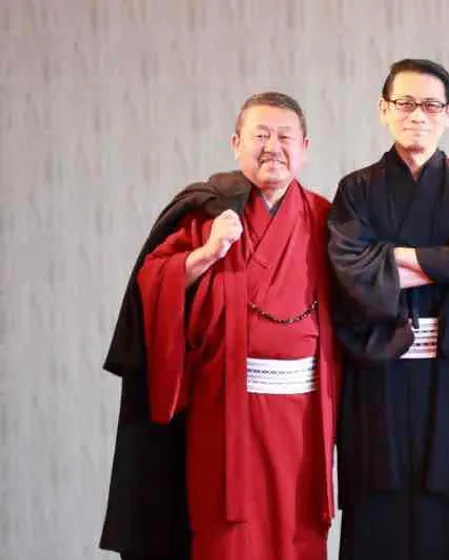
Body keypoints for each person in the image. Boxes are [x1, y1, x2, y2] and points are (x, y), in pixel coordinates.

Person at [99, 92, 340, 560]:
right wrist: (206, 254)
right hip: (225, 411)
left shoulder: (325, 217)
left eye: (285, 136)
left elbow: (376, 265)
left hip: (304, 416)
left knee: (298, 534)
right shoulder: (205, 213)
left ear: (305, 147)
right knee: (228, 537)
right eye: (260, 135)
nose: (273, 147)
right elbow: (152, 283)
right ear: (235, 143)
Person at [327, 58, 449, 560]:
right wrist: (442, 262)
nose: (417, 114)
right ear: (383, 109)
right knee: (374, 501)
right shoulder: (356, 190)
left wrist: (389, 258)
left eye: (430, 104)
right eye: (404, 103)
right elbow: (351, 271)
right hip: (375, 365)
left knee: (448, 501)